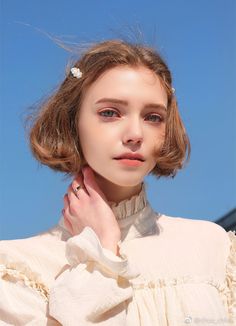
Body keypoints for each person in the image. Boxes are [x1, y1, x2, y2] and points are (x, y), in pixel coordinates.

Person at [0, 40, 235, 326]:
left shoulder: (212, 247)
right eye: (110, 113)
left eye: (153, 117)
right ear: (72, 122)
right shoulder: (17, 269)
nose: (135, 133)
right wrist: (101, 255)